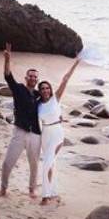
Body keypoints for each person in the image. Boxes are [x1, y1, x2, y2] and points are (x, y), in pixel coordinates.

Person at [0, 42, 41, 198]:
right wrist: (7, 59)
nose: (33, 78)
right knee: (7, 162)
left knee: (34, 165)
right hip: (20, 131)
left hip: (36, 134)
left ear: (37, 79)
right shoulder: (19, 89)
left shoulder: (39, 95)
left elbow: (50, 107)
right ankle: (3, 189)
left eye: (35, 77)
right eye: (30, 76)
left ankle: (32, 190)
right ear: (26, 77)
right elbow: (8, 76)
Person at [36, 58, 81, 205]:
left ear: (50, 89)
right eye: (42, 89)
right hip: (45, 134)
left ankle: (45, 196)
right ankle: (53, 191)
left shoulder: (56, 98)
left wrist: (76, 63)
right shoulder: (38, 105)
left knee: (46, 164)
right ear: (40, 91)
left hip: (57, 133)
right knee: (51, 163)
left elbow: (65, 79)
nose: (45, 90)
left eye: (47, 87)